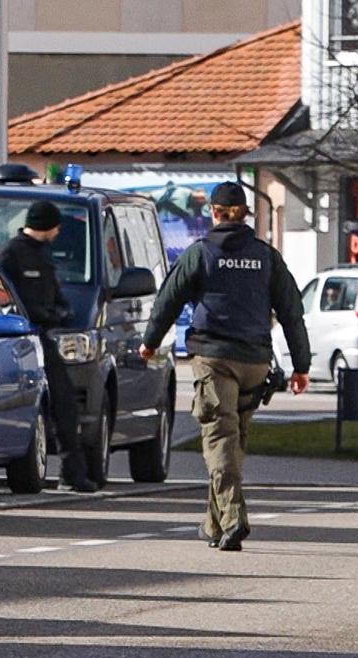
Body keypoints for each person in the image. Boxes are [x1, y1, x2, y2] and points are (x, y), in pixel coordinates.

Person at [139, 182, 311, 552]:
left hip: (215, 359)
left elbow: (167, 300)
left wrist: (150, 342)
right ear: (245, 213)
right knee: (233, 444)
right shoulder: (266, 257)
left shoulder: (200, 253)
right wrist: (301, 365)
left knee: (219, 440)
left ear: (213, 212)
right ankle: (213, 524)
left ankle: (233, 521)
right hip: (255, 362)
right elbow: (292, 311)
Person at [0, 201, 97, 493]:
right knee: (27, 406)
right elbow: (1, 297)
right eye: (57, 226)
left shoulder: (43, 255)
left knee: (65, 407)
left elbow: (56, 296)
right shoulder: (9, 254)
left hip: (44, 340)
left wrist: (62, 312)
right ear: (49, 226)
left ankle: (73, 474)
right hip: (19, 340)